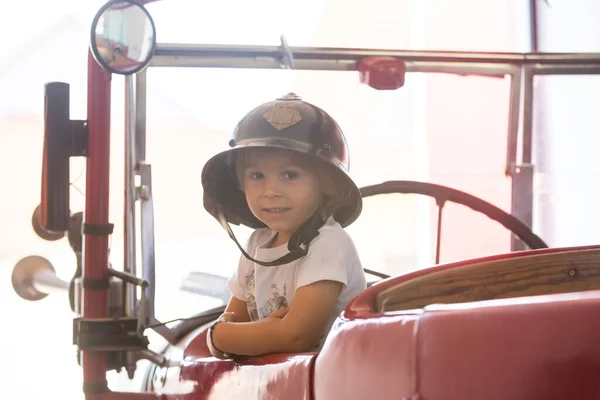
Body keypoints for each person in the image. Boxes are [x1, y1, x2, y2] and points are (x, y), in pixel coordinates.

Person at [201, 93, 367, 358]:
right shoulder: (257, 243)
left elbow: (296, 336)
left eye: (290, 175)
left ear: (327, 184)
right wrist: (224, 336)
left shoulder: (328, 243)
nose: (270, 191)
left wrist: (218, 335)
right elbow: (233, 323)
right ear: (240, 184)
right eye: (256, 176)